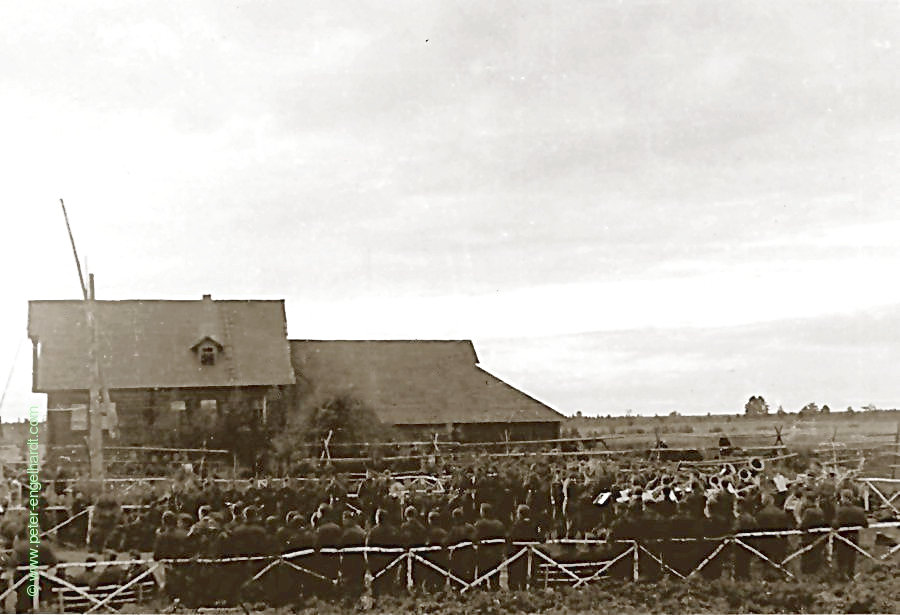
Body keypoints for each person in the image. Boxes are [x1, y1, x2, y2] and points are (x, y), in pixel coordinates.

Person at [833, 490, 868, 579]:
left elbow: (836, 525)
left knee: (841, 556)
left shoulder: (840, 511)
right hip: (854, 536)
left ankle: (842, 574)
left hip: (842, 536)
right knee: (852, 555)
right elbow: (865, 524)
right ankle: (850, 574)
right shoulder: (859, 510)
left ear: (844, 498)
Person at [473, 503, 506, 590]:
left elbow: (475, 537)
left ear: (483, 512)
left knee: (482, 574)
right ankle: (495, 588)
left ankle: (483, 588)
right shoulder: (499, 524)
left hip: (483, 553)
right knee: (495, 573)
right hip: (496, 553)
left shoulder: (479, 524)